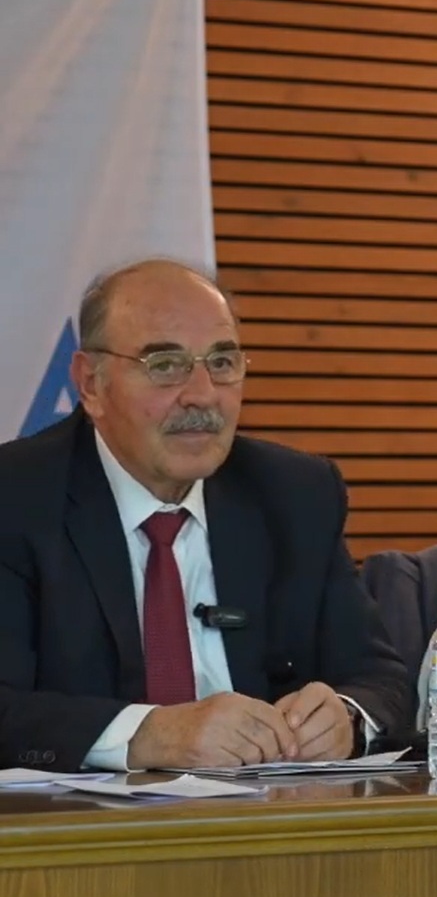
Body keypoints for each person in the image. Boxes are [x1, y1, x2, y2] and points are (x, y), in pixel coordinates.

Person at [0, 260, 413, 773]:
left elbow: (382, 680)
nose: (202, 394)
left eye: (221, 362)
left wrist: (347, 718)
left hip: (272, 812)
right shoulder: (16, 497)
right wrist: (147, 735)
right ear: (91, 384)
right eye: (164, 364)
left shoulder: (295, 494)